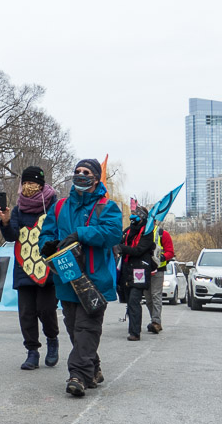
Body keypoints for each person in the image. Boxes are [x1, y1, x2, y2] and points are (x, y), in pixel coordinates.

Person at [39, 158, 122, 397]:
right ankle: (93, 367)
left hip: (94, 280)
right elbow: (46, 233)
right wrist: (48, 245)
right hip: (66, 278)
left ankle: (78, 375)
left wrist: (79, 234)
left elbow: (113, 233)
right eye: (77, 171)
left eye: (86, 172)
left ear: (96, 178)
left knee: (87, 328)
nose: (81, 175)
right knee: (75, 328)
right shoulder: (59, 206)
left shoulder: (107, 207)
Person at [0, 166, 60, 370]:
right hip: (24, 267)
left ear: (41, 185)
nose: (28, 187)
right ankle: (32, 351)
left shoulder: (53, 206)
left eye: (32, 183)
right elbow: (12, 236)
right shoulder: (18, 209)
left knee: (46, 310)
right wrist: (6, 222)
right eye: (24, 183)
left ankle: (52, 340)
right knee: (26, 313)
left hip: (47, 269)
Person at [118, 206, 155, 341]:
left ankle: (135, 332)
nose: (132, 216)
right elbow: (119, 241)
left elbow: (139, 250)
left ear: (142, 217)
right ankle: (132, 327)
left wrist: (121, 248)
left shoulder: (147, 232)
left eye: (135, 214)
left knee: (134, 300)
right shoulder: (128, 231)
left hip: (140, 269)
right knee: (129, 300)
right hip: (127, 269)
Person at [145, 224, 174, 333]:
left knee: (155, 295)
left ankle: (156, 322)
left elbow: (170, 252)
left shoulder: (162, 234)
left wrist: (161, 257)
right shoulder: (141, 233)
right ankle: (155, 320)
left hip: (158, 269)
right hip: (144, 270)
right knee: (148, 298)